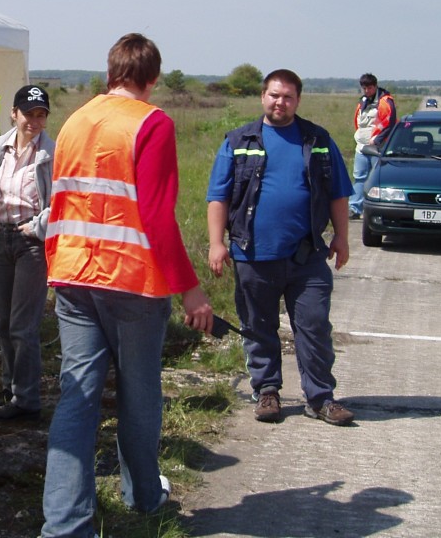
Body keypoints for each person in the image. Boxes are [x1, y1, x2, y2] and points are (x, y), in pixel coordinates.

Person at [40, 33, 215, 538]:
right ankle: (143, 496)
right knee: (139, 394)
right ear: (153, 78)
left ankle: (63, 525)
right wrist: (190, 289)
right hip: (132, 282)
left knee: (77, 396)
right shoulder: (152, 123)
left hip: (72, 274)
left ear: (111, 71)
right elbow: (157, 217)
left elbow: (61, 200)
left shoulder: (74, 121)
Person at [206, 68, 355, 427]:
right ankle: (267, 391)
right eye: (274, 95)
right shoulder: (239, 141)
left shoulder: (318, 140)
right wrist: (215, 243)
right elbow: (218, 197)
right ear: (263, 97)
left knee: (314, 326)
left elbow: (338, 193)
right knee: (259, 327)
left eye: (288, 97)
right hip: (252, 254)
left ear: (298, 100)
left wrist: (342, 236)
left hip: (307, 255)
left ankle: (320, 398)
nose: (280, 102)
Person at [0, 84, 56, 422]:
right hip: (0, 239)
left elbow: (63, 200)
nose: (34, 121)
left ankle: (27, 400)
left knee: (22, 325)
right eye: (28, 113)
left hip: (31, 243)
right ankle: (10, 387)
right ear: (13, 114)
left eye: (41, 114)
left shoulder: (52, 154)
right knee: (2, 322)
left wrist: (38, 226)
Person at [348, 73, 396, 220]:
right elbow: (359, 123)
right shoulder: (362, 101)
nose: (366, 90)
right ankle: (354, 208)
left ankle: (380, 209)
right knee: (359, 177)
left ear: (375, 86)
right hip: (361, 147)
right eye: (364, 88)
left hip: (377, 148)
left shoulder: (385, 102)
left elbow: (390, 123)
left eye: (369, 88)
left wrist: (377, 140)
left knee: (378, 179)